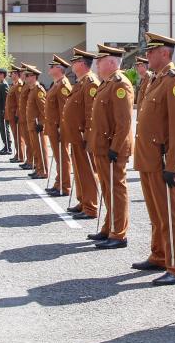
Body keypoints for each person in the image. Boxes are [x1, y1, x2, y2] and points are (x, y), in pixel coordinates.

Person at [131, 31, 175, 286]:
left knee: (170, 213)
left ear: (164, 53)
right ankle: (160, 254)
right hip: (147, 157)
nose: (148, 56)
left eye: (151, 52)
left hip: (162, 158)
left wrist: (173, 163)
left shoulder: (174, 82)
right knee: (156, 212)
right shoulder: (155, 79)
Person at [88, 44, 135, 249]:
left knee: (116, 189)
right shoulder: (106, 83)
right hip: (102, 146)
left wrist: (115, 147)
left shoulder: (120, 84)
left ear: (111, 62)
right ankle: (109, 227)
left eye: (100, 61)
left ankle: (119, 233)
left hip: (112, 148)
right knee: (107, 189)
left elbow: (124, 122)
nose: (97, 64)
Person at [63, 48, 100, 220]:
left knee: (86, 171)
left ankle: (91, 206)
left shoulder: (90, 83)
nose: (72, 64)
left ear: (82, 64)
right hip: (75, 135)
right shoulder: (81, 82)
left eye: (74, 62)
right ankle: (83, 200)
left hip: (83, 136)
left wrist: (88, 135)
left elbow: (90, 112)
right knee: (79, 171)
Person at [45, 54, 73, 197]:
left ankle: (65, 186)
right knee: (58, 157)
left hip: (59, 128)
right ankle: (58, 183)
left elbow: (64, 110)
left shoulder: (63, 85)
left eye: (52, 66)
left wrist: (63, 129)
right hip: (53, 127)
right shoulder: (57, 84)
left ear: (59, 69)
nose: (49, 68)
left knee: (63, 156)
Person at [23, 65, 49, 180]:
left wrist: (42, 123)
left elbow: (44, 109)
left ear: (34, 77)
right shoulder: (32, 89)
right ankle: (38, 169)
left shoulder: (38, 90)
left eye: (28, 75)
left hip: (37, 124)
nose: (25, 77)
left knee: (41, 149)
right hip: (32, 124)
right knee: (35, 149)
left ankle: (43, 171)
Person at [17, 65, 35, 172]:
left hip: (28, 118)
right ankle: (29, 160)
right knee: (28, 141)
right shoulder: (24, 86)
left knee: (30, 142)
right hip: (23, 117)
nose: (23, 75)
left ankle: (31, 161)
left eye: (25, 73)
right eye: (23, 73)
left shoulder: (29, 87)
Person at [5, 66, 24, 162]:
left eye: (12, 73)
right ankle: (18, 154)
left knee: (18, 136)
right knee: (15, 135)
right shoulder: (14, 85)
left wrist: (17, 114)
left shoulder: (19, 85)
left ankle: (20, 155)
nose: (11, 75)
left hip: (15, 115)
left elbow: (19, 102)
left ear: (16, 74)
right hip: (11, 115)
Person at [0, 68, 12, 155]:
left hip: (3, 111)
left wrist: (6, 111)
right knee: (2, 129)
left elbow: (6, 100)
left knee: (5, 129)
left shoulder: (4, 85)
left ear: (2, 75)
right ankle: (5, 146)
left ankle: (8, 147)